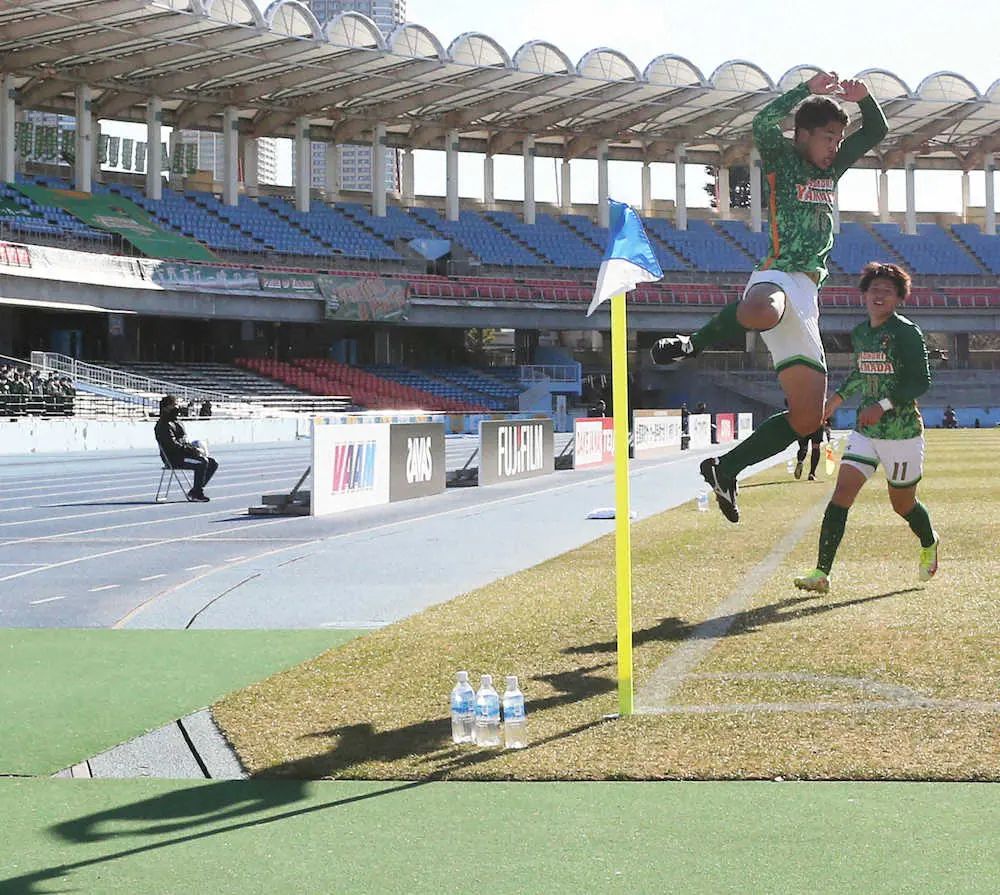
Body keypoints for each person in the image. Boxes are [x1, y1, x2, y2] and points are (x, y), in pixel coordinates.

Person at [649, 70, 888, 522]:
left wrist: (864, 99)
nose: (836, 145)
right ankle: (690, 344)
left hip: (808, 293)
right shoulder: (782, 156)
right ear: (801, 136)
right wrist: (806, 90)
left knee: (807, 418)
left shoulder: (832, 167)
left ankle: (725, 469)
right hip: (776, 274)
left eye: (839, 137)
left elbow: (876, 130)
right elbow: (763, 123)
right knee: (763, 310)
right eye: (828, 137)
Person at [794, 263, 938, 594]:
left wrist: (883, 405)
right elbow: (862, 371)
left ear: (899, 298)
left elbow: (920, 381)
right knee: (842, 493)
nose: (879, 295)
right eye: (874, 290)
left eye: (888, 291)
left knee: (902, 505)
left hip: (900, 433)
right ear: (864, 294)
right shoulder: (861, 333)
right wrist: (839, 397)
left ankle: (929, 541)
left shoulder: (907, 333)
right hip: (865, 431)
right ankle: (821, 572)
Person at [154, 394, 219, 502]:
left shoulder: (177, 422)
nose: (177, 407)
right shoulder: (163, 425)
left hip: (184, 454)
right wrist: (192, 450)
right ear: (166, 407)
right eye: (174, 405)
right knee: (202, 462)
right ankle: (197, 493)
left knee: (213, 463)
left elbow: (184, 441)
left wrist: (195, 448)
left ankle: (195, 490)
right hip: (174, 458)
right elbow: (172, 446)